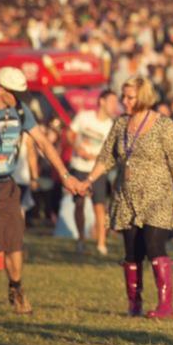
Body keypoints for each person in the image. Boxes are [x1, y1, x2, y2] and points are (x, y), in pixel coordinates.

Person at [0, 67, 83, 316]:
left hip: (7, 185)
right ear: (1, 88)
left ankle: (16, 289)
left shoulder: (21, 111)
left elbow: (43, 143)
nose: (20, 97)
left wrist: (65, 176)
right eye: (15, 92)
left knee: (14, 243)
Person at [83, 76, 173, 318]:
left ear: (144, 97)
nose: (125, 101)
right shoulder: (120, 124)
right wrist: (87, 180)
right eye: (124, 97)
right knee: (132, 251)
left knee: (154, 245)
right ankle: (134, 303)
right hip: (126, 196)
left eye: (130, 97)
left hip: (158, 194)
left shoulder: (164, 125)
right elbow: (106, 157)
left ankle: (165, 306)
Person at [66, 89, 118, 255]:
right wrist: (77, 148)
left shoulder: (111, 125)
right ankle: (81, 239)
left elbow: (111, 152)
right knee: (79, 204)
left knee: (99, 206)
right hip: (79, 166)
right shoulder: (84, 117)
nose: (114, 106)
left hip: (97, 170)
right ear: (102, 101)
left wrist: (96, 157)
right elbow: (69, 134)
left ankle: (101, 243)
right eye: (112, 102)